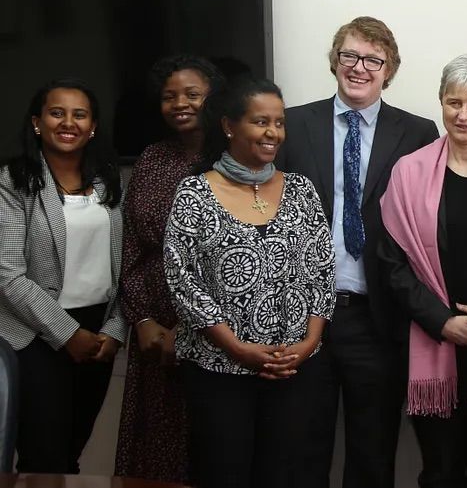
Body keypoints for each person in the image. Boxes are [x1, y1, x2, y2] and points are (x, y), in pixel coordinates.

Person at [276, 16, 438, 488]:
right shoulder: (292, 123)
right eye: (350, 55)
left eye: (373, 59)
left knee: (372, 456)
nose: (360, 67)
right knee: (302, 454)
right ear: (334, 61)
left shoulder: (418, 133)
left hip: (377, 318)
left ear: (389, 70)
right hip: (302, 316)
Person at [164, 77, 335, 488]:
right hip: (219, 370)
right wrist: (238, 348)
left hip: (293, 370)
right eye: (261, 121)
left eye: (279, 122)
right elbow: (181, 279)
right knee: (224, 473)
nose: (273, 132)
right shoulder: (195, 193)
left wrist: (309, 344)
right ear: (229, 126)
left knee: (284, 475)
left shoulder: (300, 191)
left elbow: (322, 273)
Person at [378, 54, 467, 488]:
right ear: (440, 103)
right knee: (440, 471)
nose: (463, 114)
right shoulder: (409, 171)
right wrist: (444, 322)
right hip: (433, 337)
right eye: (453, 102)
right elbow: (392, 262)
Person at [0, 78, 125, 473]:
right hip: (35, 333)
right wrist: (68, 333)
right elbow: (7, 275)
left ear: (93, 127)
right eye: (57, 113)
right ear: (37, 123)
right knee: (44, 459)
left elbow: (124, 264)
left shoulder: (108, 180)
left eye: (79, 114)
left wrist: (116, 328)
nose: (67, 122)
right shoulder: (12, 181)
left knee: (71, 451)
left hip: (98, 332)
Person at [115, 54, 223, 482]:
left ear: (213, 98)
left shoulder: (233, 160)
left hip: (216, 331)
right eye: (169, 96)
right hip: (155, 336)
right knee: (156, 458)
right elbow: (133, 248)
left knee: (212, 448)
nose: (180, 103)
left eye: (192, 94)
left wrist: (191, 325)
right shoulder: (151, 158)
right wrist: (143, 321)